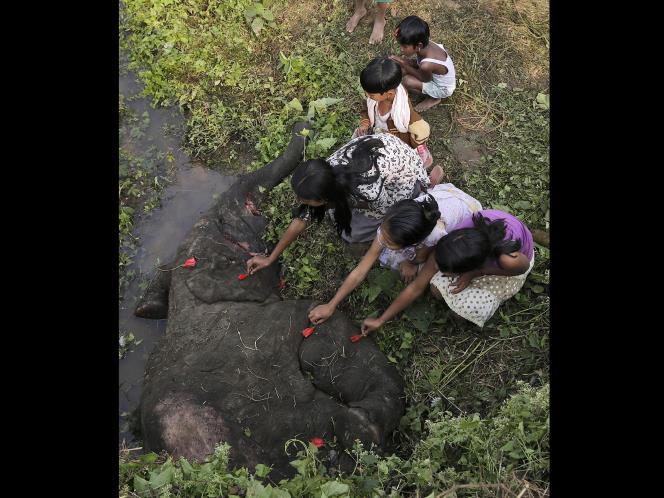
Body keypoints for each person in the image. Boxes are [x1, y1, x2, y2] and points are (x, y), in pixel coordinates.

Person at [246, 134, 429, 275]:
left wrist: (357, 207)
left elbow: (384, 210)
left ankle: (422, 188)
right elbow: (304, 216)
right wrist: (271, 258)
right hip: (389, 158)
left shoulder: (367, 189)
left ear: (326, 198)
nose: (299, 202)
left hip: (402, 181)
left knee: (352, 234)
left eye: (308, 200)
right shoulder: (326, 171)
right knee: (340, 218)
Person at [307, 183, 482, 325]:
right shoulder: (391, 224)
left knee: (423, 273)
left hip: (468, 211)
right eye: (383, 232)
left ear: (413, 243)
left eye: (390, 241)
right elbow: (362, 269)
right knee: (392, 258)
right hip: (445, 196)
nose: (382, 239)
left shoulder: (436, 235)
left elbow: (416, 287)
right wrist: (331, 305)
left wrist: (413, 262)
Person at [360, 209, 534, 334]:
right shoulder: (453, 241)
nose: (441, 271)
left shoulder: (507, 259)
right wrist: (381, 320)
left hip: (511, 269)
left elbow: (521, 269)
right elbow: (416, 287)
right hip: (477, 262)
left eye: (450, 271)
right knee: (436, 289)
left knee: (465, 310)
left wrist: (476, 273)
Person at [355, 56, 434, 169]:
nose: (367, 96)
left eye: (371, 94)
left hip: (393, 141)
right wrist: (365, 123)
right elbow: (365, 110)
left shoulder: (402, 111)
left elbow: (422, 129)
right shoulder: (373, 100)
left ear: (389, 94)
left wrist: (417, 146)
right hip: (377, 132)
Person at [389, 15, 456, 112]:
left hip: (442, 88)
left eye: (404, 46)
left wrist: (405, 64)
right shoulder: (425, 44)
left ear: (418, 45)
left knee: (407, 81)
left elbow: (425, 79)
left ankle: (434, 98)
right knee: (403, 65)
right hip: (431, 74)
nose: (401, 49)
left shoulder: (427, 65)